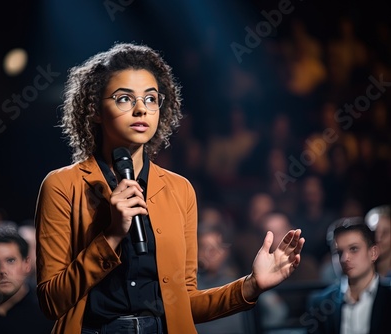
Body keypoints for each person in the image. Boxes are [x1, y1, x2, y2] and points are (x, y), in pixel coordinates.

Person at [35, 42, 305, 334]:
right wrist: (111, 235)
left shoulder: (179, 189)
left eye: (151, 99)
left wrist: (251, 285)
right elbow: (52, 302)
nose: (141, 109)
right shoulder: (61, 185)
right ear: (95, 110)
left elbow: (185, 303)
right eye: (124, 98)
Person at [304, 217, 391, 334]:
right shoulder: (319, 303)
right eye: (338, 252)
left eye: (354, 249)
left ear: (373, 253)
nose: (345, 258)